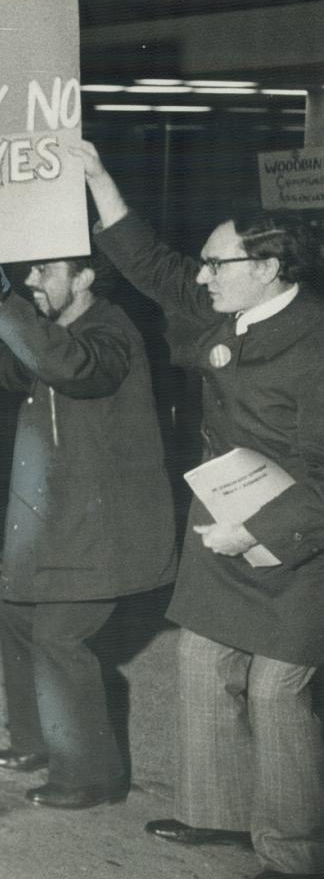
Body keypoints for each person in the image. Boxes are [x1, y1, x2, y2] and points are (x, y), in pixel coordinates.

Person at [80, 141, 324, 878]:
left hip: (301, 541)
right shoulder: (227, 302)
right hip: (227, 523)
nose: (204, 273)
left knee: (277, 691)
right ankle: (217, 817)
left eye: (218, 263)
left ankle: (294, 851)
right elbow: (153, 265)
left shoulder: (316, 346)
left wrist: (254, 528)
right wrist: (99, 178)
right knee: (198, 658)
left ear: (269, 270)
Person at [0, 247, 176, 809]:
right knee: (16, 616)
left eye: (43, 271)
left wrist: (2, 301)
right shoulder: (51, 332)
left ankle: (91, 773)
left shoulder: (109, 332)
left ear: (86, 277)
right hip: (58, 525)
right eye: (29, 270)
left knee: (57, 635)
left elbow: (76, 368)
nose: (30, 279)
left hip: (107, 531)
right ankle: (38, 743)